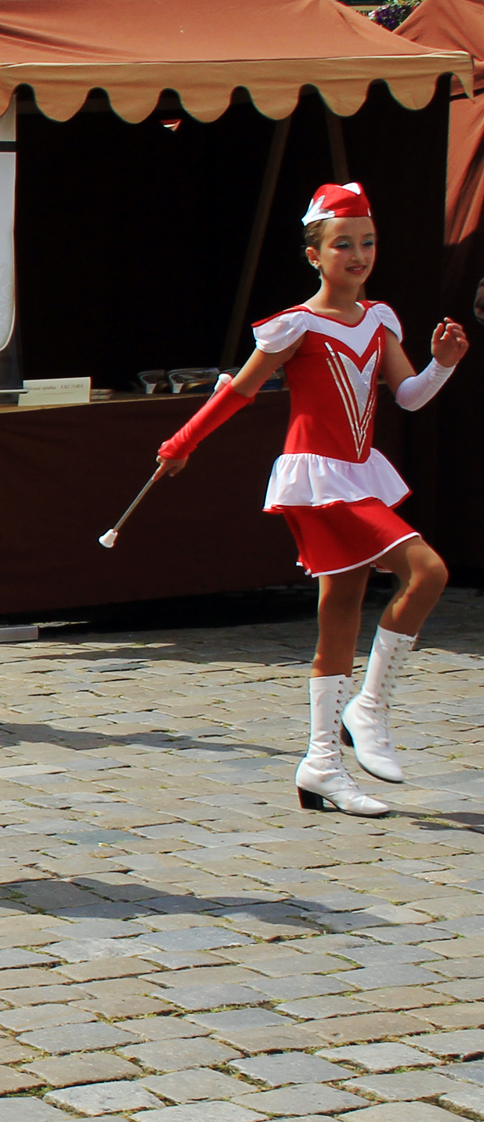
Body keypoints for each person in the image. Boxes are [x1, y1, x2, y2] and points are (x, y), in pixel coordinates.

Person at [156, 182, 464, 816]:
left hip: (358, 472)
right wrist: (182, 440)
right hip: (319, 481)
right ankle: (369, 708)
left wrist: (442, 366)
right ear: (314, 254)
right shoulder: (295, 326)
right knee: (428, 570)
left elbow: (406, 396)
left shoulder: (380, 319)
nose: (358, 254)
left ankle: (321, 762)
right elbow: (238, 392)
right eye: (343, 244)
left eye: (367, 242)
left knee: (341, 610)